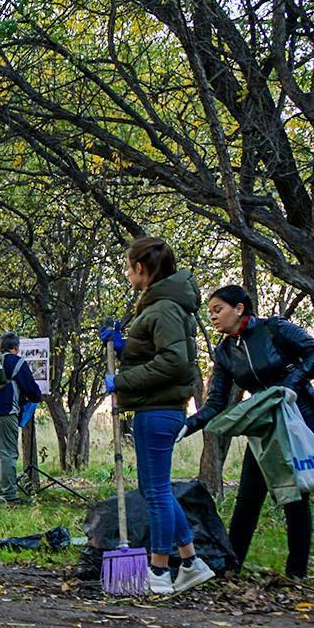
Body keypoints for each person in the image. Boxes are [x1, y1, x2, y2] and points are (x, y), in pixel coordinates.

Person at [181, 284, 314, 578]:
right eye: (210, 312)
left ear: (239, 309)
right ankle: (231, 569)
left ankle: (296, 575)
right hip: (263, 426)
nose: (213, 317)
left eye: (218, 310)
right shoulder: (224, 352)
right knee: (248, 496)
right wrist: (186, 425)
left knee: (295, 499)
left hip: (298, 419)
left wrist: (290, 385)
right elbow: (216, 404)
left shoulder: (274, 329)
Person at [103, 236, 213, 596]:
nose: (127, 274)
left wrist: (120, 380)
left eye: (127, 267)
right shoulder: (160, 305)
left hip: (159, 410)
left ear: (140, 268)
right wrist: (123, 346)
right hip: (157, 407)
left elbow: (173, 362)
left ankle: (159, 572)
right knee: (158, 490)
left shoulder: (164, 307)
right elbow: (155, 351)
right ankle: (192, 563)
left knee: (156, 493)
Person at [0, 333, 44, 500]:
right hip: (6, 411)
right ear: (16, 347)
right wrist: (37, 397)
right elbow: (31, 388)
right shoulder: (16, 361)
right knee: (8, 452)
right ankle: (9, 495)